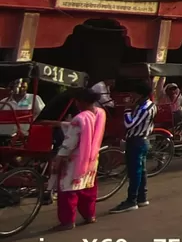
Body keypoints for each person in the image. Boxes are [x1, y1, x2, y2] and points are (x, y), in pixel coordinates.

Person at [50, 88, 106, 230]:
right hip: (92, 158)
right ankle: (90, 216)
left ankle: (68, 221)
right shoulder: (100, 113)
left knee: (68, 191)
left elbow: (69, 143)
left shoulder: (79, 119)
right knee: (88, 188)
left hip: (75, 160)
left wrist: (58, 158)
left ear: (81, 102)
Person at [110, 81, 155, 214]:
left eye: (134, 93)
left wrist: (127, 109)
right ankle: (142, 197)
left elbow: (129, 124)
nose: (131, 96)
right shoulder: (146, 105)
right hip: (140, 140)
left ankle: (131, 200)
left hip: (137, 141)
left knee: (135, 172)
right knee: (141, 170)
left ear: (140, 94)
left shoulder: (145, 108)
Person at [0, 78, 45, 146]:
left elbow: (43, 115)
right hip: (4, 136)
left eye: (24, 87)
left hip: (25, 136)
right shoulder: (3, 102)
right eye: (18, 87)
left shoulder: (34, 98)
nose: (21, 89)